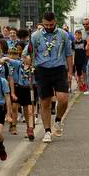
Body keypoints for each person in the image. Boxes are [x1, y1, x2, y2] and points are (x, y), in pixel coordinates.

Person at [30, 12, 74, 143]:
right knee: (45, 102)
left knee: (63, 99)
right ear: (42, 22)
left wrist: (70, 71)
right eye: (46, 24)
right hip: (42, 70)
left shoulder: (63, 35)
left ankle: (58, 120)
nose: (49, 27)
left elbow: (69, 53)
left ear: (56, 22)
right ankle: (47, 131)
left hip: (59, 69)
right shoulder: (35, 36)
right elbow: (29, 53)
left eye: (51, 24)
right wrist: (27, 61)